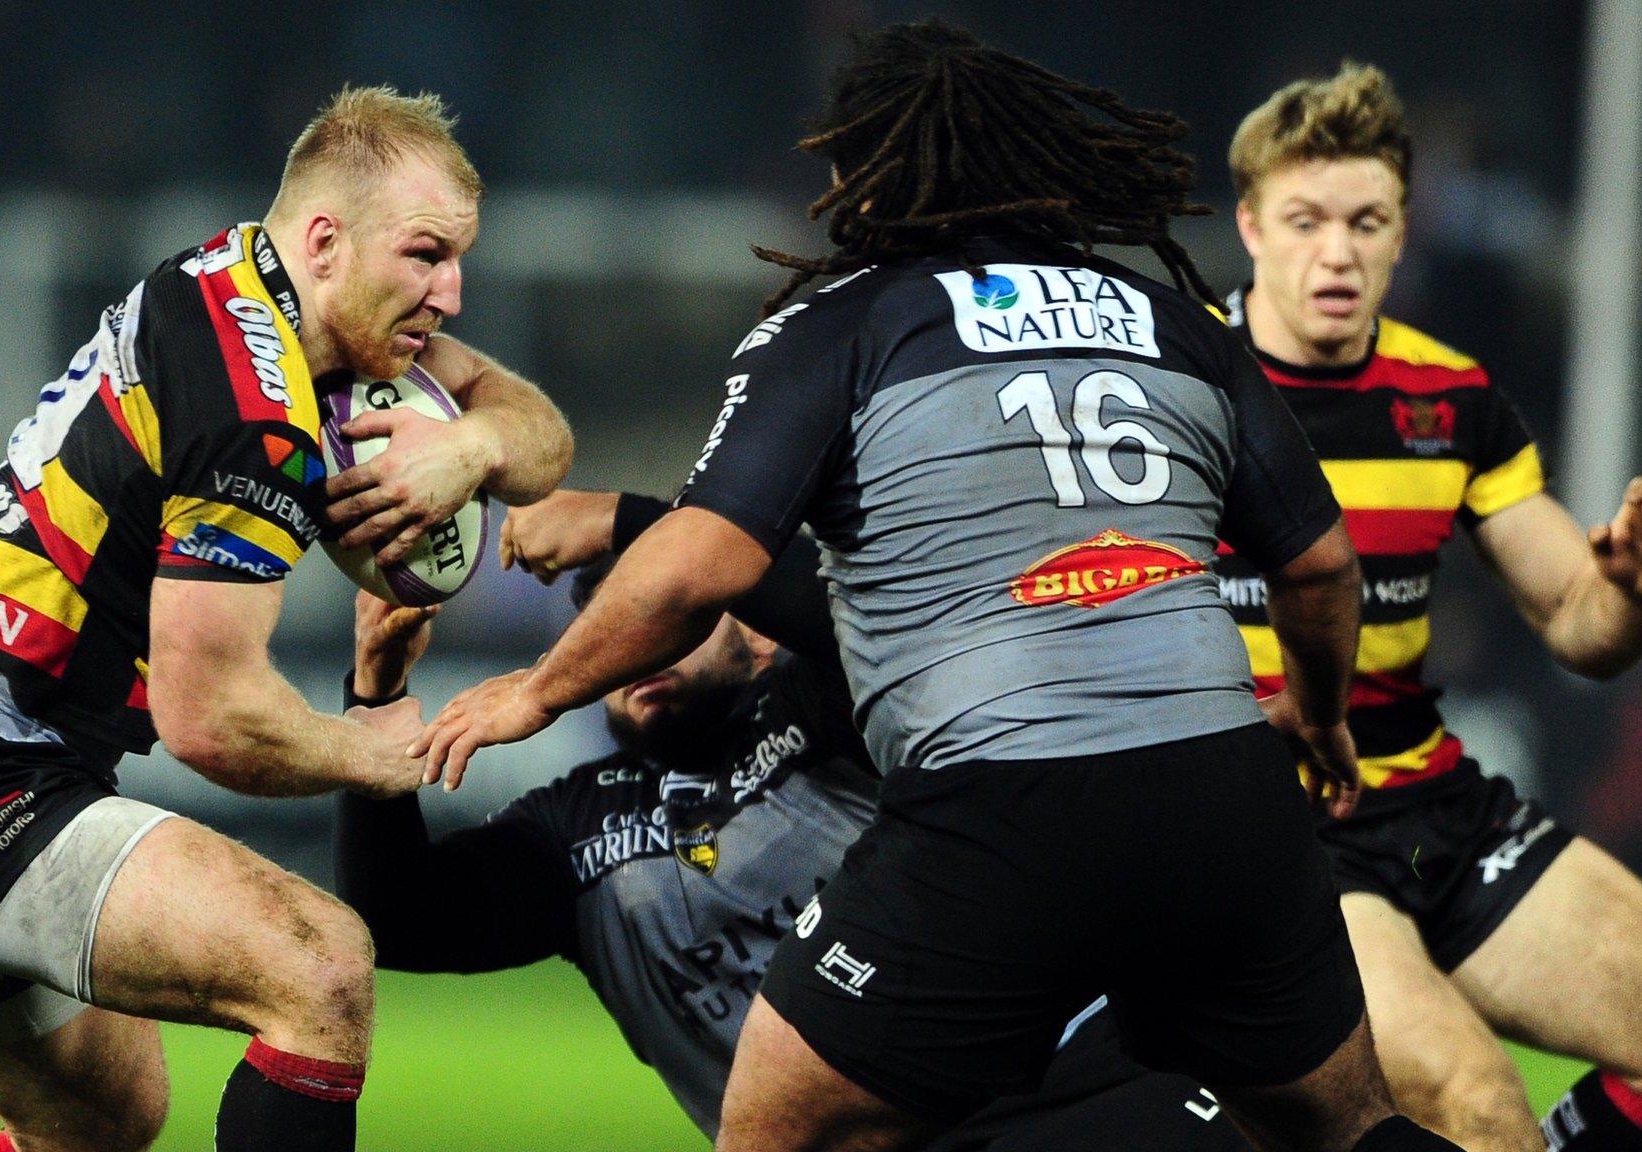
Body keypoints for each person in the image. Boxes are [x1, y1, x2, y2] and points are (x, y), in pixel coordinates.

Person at [417, 21, 1460, 1152]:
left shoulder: (840, 322)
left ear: (866, 175)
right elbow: (1317, 566)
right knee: (1349, 1127)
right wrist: (1312, 714)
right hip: (1224, 793)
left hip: (1003, 806)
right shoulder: (1174, 323)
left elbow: (696, 570)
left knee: (771, 1128)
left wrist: (533, 694)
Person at [0, 86, 572, 1152]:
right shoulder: (253, 411)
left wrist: (470, 449)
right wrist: (384, 753)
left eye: (457, 258)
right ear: (325, 240)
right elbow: (210, 717)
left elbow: (543, 440)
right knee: (318, 966)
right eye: (423, 255)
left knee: (106, 1125)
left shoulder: (228, 280)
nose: (450, 292)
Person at [339, 487, 1253, 1150]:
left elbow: (875, 628)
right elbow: (405, 920)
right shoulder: (574, 829)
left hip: (1062, 1084)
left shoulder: (833, 703)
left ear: (757, 629)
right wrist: (375, 699)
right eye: (607, 629)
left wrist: (633, 520)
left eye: (671, 615)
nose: (636, 645)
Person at [1221, 64, 1642, 1152]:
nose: (1337, 251)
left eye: (1365, 221)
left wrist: (1625, 587)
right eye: (1305, 220)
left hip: (1432, 814)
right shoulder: (1177, 389)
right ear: (1249, 227)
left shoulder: (1446, 397)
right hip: (1274, 843)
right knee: (1471, 1100)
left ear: (1401, 233)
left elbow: (1577, 625)